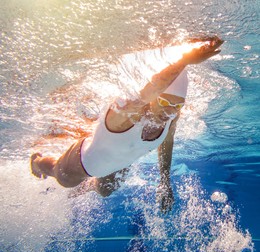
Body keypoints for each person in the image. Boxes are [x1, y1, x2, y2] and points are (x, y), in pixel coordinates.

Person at [31, 36, 223, 213]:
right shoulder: (126, 114)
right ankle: (37, 162)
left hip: (116, 161)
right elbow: (149, 90)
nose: (170, 110)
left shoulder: (171, 116)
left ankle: (87, 185)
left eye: (177, 105)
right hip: (84, 162)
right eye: (164, 102)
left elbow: (166, 142)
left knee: (106, 191)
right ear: (152, 100)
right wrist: (184, 61)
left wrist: (165, 181)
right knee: (62, 176)